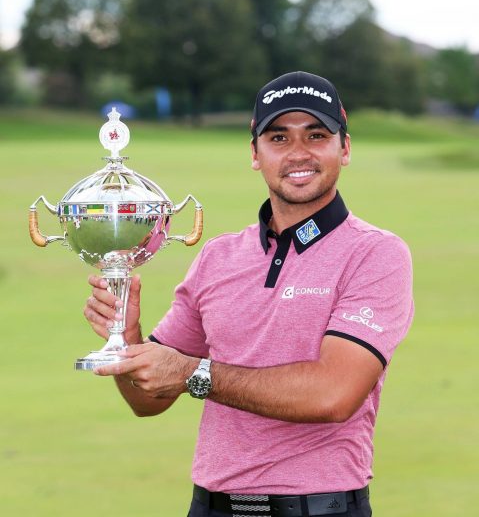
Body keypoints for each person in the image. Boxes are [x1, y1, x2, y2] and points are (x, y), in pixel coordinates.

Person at [85, 71, 414, 517]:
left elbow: (333, 394)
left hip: (320, 508)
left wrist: (192, 373)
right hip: (211, 506)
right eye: (278, 137)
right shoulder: (219, 256)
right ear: (256, 154)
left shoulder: (375, 254)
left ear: (345, 148)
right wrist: (128, 340)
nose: (299, 153)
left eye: (316, 135)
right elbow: (147, 400)